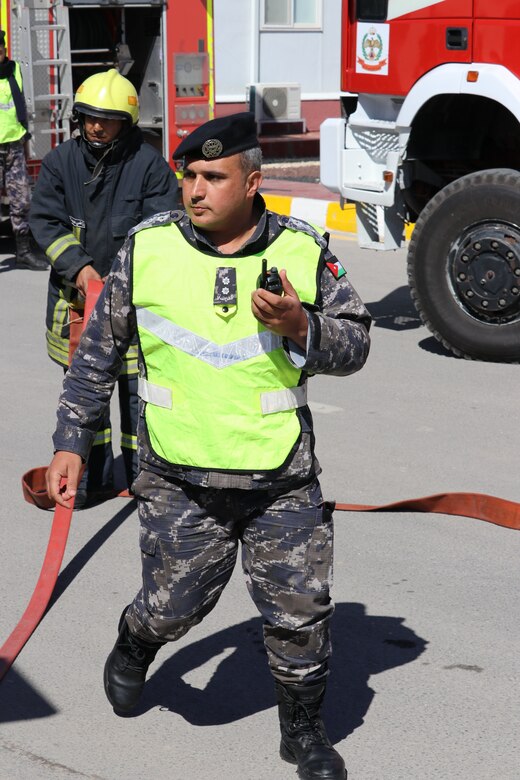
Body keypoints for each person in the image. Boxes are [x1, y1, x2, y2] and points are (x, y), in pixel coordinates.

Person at [45, 112, 371, 779]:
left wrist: (301, 323)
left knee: (301, 613)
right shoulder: (149, 248)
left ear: (252, 183)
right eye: (189, 175)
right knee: (175, 604)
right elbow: (96, 355)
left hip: (280, 476)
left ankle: (303, 732)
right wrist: (73, 441)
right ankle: (137, 640)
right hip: (177, 476)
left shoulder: (303, 250)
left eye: (213, 177)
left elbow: (356, 341)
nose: (195, 189)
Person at [30, 68, 178, 507]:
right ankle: (90, 478)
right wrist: (79, 268)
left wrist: (123, 282)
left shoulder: (149, 165)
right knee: (84, 396)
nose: (96, 126)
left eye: (108, 119)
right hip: (76, 306)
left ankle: (140, 478)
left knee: (138, 398)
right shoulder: (60, 163)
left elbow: (163, 228)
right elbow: (45, 221)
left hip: (134, 307)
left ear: (126, 123)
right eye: (90, 116)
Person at [0, 30, 47, 271]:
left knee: (22, 200)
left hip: (14, 145)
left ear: (4, 51)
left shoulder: (13, 69)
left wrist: (25, 135)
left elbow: (18, 103)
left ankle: (23, 252)